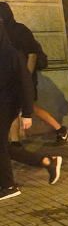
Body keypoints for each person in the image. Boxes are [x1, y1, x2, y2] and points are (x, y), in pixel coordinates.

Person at [1, 17, 58, 199]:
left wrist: (26, 113)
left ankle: (9, 186)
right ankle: (45, 161)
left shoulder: (12, 54)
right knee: (3, 147)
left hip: (7, 105)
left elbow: (25, 84)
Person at [0, 2, 68, 144]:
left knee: (25, 105)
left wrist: (26, 74)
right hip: (11, 77)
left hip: (23, 75)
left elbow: (32, 53)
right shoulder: (4, 31)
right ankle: (16, 142)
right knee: (17, 105)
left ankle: (58, 129)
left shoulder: (20, 30)